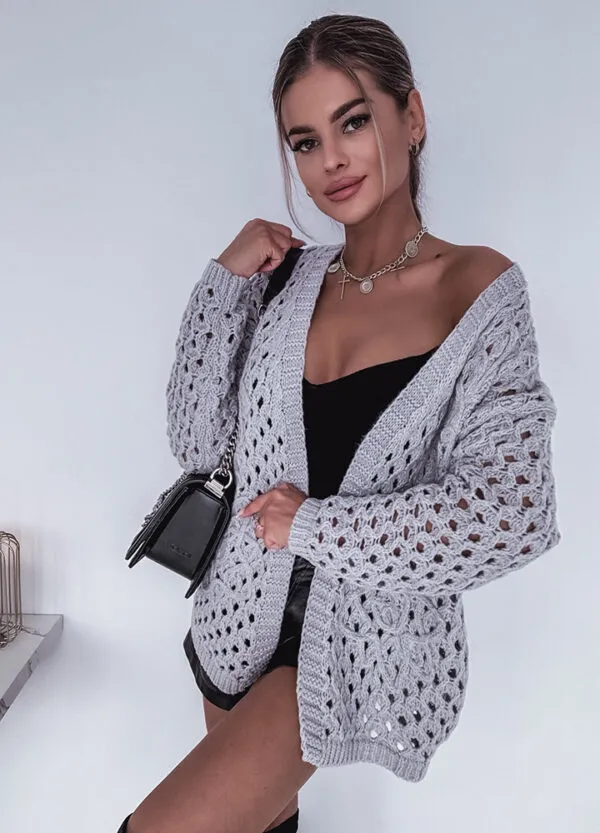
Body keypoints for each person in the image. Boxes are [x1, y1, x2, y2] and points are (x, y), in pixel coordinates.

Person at [120, 13, 561, 833]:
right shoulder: (286, 280)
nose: (330, 160)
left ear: (411, 116)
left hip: (349, 644)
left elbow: (514, 511)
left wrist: (315, 526)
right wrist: (224, 283)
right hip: (232, 622)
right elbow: (198, 439)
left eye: (352, 122)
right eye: (305, 140)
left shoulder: (477, 291)